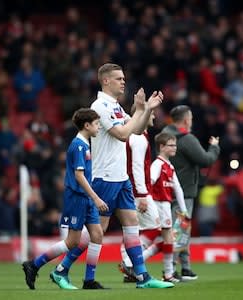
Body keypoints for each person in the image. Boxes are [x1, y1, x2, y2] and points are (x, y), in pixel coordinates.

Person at [55, 63, 174, 289]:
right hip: (104, 177)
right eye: (119, 78)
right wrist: (139, 112)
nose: (123, 82)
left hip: (120, 177)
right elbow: (121, 134)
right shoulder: (99, 106)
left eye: (124, 78)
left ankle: (142, 277)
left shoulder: (117, 106)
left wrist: (146, 109)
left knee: (131, 223)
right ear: (106, 81)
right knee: (96, 232)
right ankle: (61, 269)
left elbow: (136, 131)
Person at [22, 108, 108, 290]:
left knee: (97, 234)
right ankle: (34, 265)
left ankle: (89, 281)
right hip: (77, 198)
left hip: (87, 198)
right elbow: (78, 175)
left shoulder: (85, 144)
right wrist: (96, 197)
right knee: (73, 241)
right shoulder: (78, 145)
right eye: (97, 124)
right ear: (87, 125)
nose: (99, 127)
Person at [161, 105, 220, 280]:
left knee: (178, 228)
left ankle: (185, 267)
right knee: (179, 229)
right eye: (191, 118)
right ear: (186, 120)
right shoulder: (187, 139)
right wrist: (214, 147)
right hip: (184, 190)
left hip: (167, 188)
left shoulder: (165, 134)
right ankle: (171, 269)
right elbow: (205, 159)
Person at [119, 109, 161, 283]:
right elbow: (136, 167)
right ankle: (129, 262)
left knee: (136, 228)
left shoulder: (138, 135)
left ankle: (130, 264)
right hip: (138, 192)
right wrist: (142, 194)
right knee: (156, 227)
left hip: (136, 190)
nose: (153, 116)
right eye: (150, 113)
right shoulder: (137, 138)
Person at [146, 132, 189, 282]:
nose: (174, 148)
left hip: (165, 205)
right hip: (158, 204)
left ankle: (167, 273)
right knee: (164, 238)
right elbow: (149, 183)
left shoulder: (169, 166)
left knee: (168, 239)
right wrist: (148, 203)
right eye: (171, 145)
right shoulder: (157, 165)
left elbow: (178, 189)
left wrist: (184, 211)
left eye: (175, 145)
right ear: (162, 147)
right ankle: (134, 262)